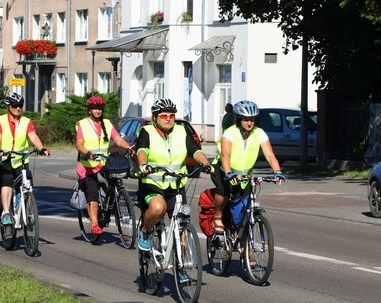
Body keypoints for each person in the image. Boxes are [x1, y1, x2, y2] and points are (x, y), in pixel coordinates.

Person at [136, 98, 212, 279]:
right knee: (157, 209)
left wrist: (205, 163)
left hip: (177, 185)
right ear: (155, 118)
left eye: (172, 115)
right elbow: (141, 151)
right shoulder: (147, 131)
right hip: (152, 183)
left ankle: (181, 269)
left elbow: (195, 150)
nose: (169, 119)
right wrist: (143, 165)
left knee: (182, 228)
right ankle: (145, 233)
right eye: (164, 116)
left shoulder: (181, 131)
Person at [211, 100, 285, 234]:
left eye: (252, 120)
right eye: (246, 120)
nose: (249, 123)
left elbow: (270, 155)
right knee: (224, 192)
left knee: (243, 208)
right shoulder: (230, 132)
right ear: (239, 119)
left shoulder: (259, 133)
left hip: (245, 176)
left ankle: (244, 248)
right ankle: (218, 216)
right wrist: (229, 173)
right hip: (224, 170)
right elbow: (225, 155)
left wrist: (277, 171)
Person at [75, 95, 133, 235]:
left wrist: (130, 149)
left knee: (115, 181)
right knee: (93, 194)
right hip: (87, 165)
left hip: (103, 163)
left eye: (100, 108)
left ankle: (110, 204)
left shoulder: (106, 123)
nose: (97, 111)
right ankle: (95, 224)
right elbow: (79, 144)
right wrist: (87, 153)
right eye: (95, 108)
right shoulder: (83, 124)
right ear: (89, 110)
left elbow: (118, 140)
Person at [0, 92, 50, 225]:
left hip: (21, 159)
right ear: (8, 106)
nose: (18, 108)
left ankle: (24, 204)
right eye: (15, 105)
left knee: (27, 184)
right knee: (7, 180)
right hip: (4, 159)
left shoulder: (26, 122)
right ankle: (6, 212)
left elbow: (33, 136)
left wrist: (41, 148)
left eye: (20, 105)